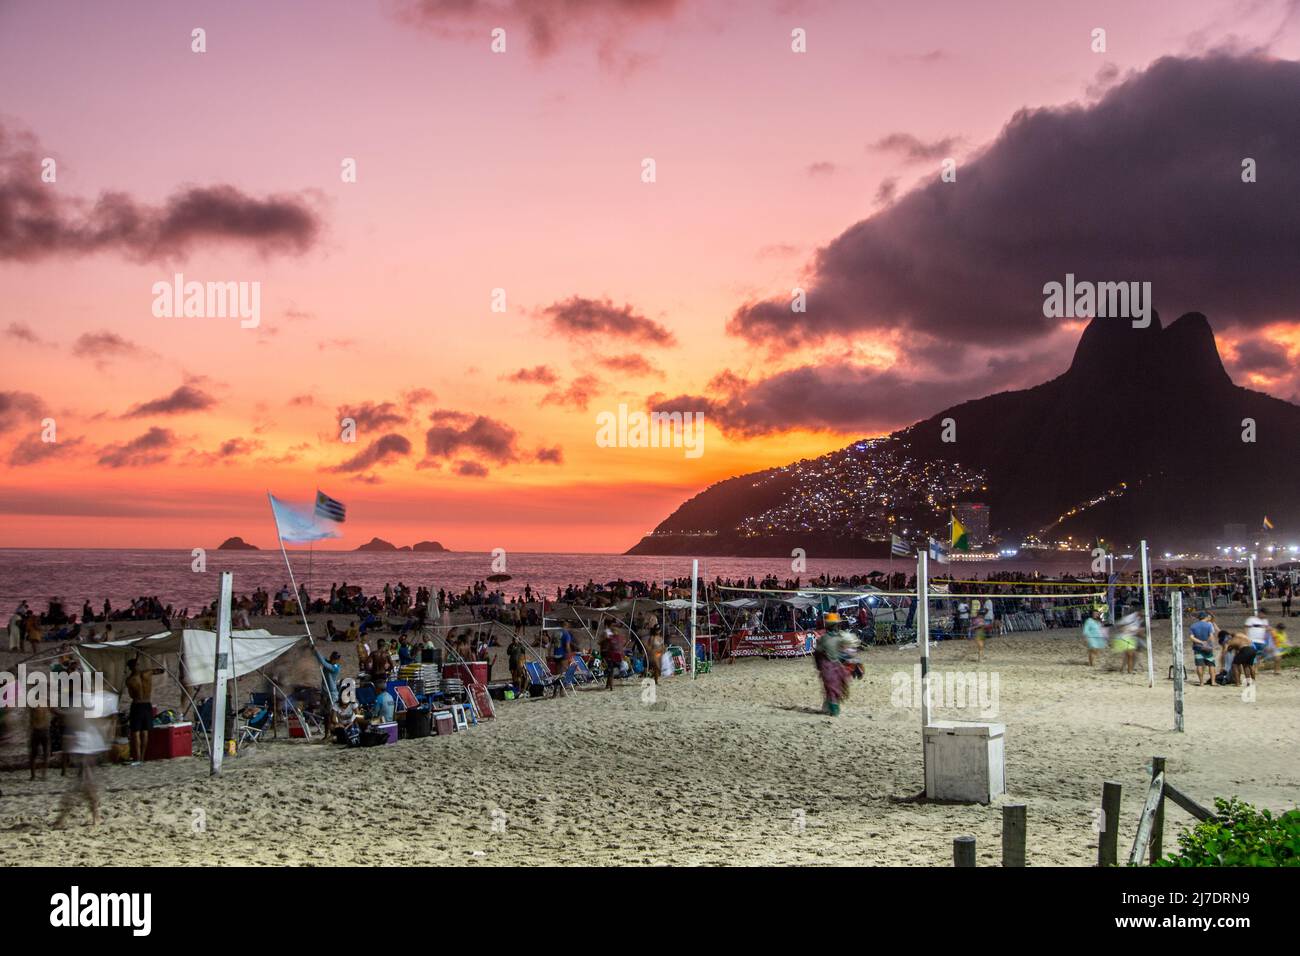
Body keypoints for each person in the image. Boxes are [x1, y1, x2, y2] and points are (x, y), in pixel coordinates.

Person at [124, 657, 165, 764]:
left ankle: (137, 758)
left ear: (129, 668)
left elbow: (132, 695)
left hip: (137, 704)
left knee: (136, 733)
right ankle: (142, 756)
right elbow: (161, 670)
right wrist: (155, 670)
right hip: (147, 704)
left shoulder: (130, 680)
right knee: (145, 732)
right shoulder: (147, 673)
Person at [813, 616, 849, 716]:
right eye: (836, 625)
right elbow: (817, 653)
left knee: (836, 687)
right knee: (831, 688)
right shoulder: (824, 639)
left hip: (836, 665)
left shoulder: (839, 637)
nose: (837, 627)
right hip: (827, 666)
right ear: (832, 626)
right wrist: (819, 666)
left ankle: (828, 706)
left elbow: (843, 652)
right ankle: (834, 710)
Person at [1188, 612, 1217, 686]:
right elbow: (1211, 636)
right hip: (1208, 647)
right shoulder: (1208, 625)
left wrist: (1200, 642)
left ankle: (1201, 682)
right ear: (1205, 617)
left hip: (1197, 647)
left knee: (1199, 664)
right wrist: (1207, 643)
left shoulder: (1193, 626)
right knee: (1211, 664)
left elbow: (1191, 637)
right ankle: (1213, 682)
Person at [1112, 610, 1140, 674]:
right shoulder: (1129, 618)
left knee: (1129, 655)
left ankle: (1123, 669)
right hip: (1124, 638)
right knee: (1130, 655)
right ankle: (1129, 670)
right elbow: (1119, 625)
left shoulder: (1137, 619)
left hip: (1130, 638)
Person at [29, 702, 52, 780]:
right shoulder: (45, 705)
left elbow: (31, 719)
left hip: (39, 730)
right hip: (40, 730)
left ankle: (35, 775)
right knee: (42, 754)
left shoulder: (35, 706)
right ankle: (41, 775)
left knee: (36, 754)